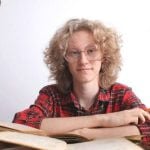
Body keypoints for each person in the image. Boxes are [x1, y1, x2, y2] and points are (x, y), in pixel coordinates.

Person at [13, 18, 150, 148]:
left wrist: (88, 134)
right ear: (63, 60)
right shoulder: (51, 95)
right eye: (74, 53)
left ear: (105, 56)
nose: (83, 61)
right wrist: (103, 120)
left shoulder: (121, 93)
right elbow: (22, 123)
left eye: (91, 51)